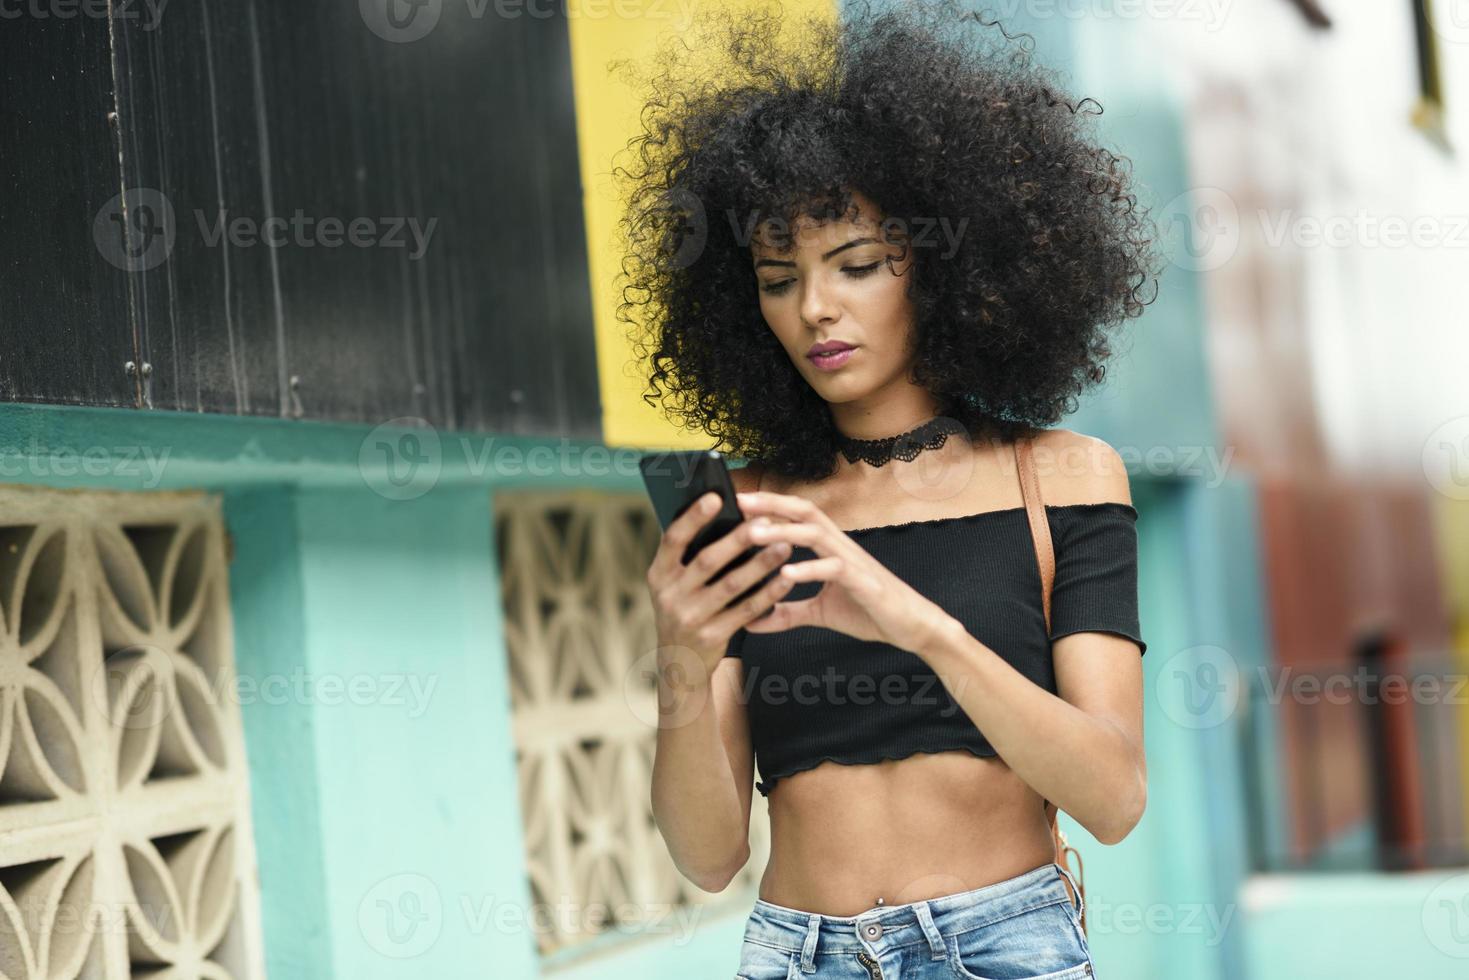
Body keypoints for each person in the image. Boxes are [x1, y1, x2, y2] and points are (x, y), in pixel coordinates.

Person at [621, 2, 1162, 976]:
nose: (814, 307)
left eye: (856, 264)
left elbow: (1113, 794)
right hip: (796, 951)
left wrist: (907, 619)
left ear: (944, 267)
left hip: (1002, 947)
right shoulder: (754, 510)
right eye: (776, 277)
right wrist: (679, 659)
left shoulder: (1059, 478)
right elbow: (707, 857)